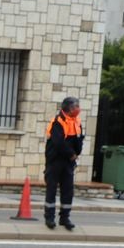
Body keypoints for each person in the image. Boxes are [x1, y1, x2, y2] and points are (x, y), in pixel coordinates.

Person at [44, 96, 85, 230]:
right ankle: (49, 218)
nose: (78, 109)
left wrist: (76, 154)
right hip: (55, 160)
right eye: (76, 106)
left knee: (68, 190)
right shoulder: (58, 121)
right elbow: (58, 142)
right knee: (51, 189)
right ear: (69, 108)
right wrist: (72, 154)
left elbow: (79, 139)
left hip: (68, 162)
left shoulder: (77, 122)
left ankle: (64, 218)